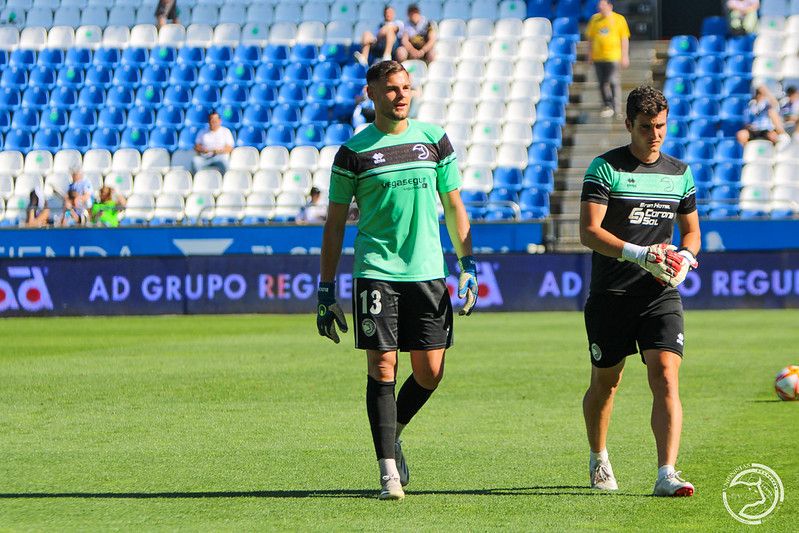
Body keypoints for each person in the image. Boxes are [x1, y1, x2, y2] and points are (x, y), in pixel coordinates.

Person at [317, 60, 478, 501]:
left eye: (406, 87)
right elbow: (334, 224)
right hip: (376, 271)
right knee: (383, 364)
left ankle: (394, 433)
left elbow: (454, 206)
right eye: (391, 88)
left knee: (430, 372)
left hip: (428, 272)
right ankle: (387, 470)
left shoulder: (434, 140)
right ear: (371, 93)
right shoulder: (352, 153)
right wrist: (326, 289)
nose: (401, 95)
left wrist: (468, 265)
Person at [579, 85, 701, 497]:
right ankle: (599, 458)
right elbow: (589, 232)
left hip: (659, 294)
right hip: (611, 294)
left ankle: (667, 472)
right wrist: (641, 254)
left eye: (661, 126)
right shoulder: (605, 168)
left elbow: (692, 232)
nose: (655, 135)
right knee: (606, 384)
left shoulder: (680, 172)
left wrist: (685, 257)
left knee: (666, 376)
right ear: (629, 124)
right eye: (646, 127)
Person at [585, 0, 630, 119]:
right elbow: (590, 38)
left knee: (614, 81)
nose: (601, 9)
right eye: (599, 6)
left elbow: (624, 38)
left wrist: (624, 55)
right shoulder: (595, 19)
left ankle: (617, 108)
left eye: (603, 6)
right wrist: (589, 55)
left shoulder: (619, 19)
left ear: (610, 6)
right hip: (598, 57)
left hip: (613, 56)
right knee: (602, 83)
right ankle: (607, 105)